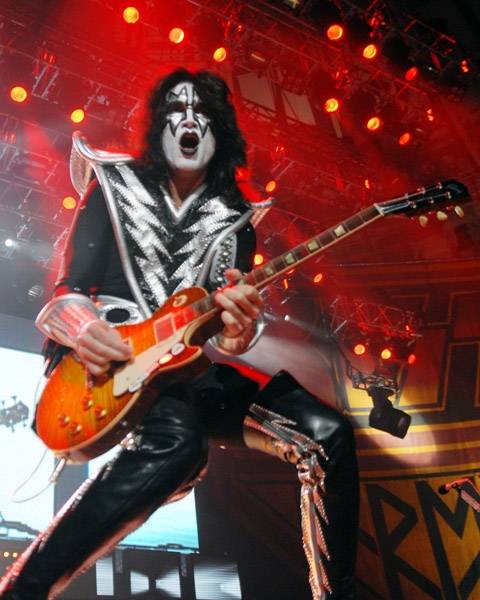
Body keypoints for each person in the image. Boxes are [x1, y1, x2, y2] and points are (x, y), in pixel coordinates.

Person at [0, 68, 359, 600]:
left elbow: (228, 332)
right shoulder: (112, 184)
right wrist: (86, 328)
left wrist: (240, 329)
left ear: (221, 131)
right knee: (179, 441)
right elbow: (67, 291)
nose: (189, 120)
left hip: (184, 370)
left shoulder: (236, 219)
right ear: (156, 125)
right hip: (109, 359)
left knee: (327, 433)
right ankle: (22, 591)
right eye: (176, 109)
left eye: (203, 112)